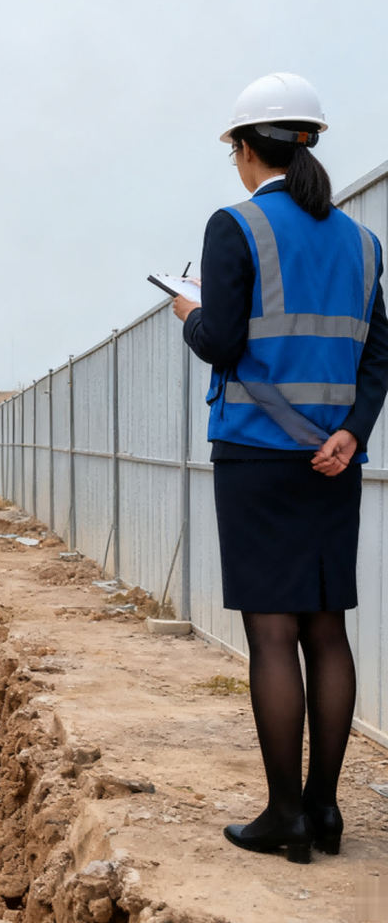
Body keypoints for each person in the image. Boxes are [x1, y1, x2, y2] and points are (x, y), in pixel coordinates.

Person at [173, 72, 388, 864]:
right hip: (334, 460)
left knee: (272, 634)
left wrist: (190, 313)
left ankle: (285, 817)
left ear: (243, 149)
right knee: (326, 629)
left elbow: (222, 341)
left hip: (257, 455)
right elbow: (378, 354)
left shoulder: (234, 226)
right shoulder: (363, 243)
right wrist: (354, 434)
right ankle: (326, 813)